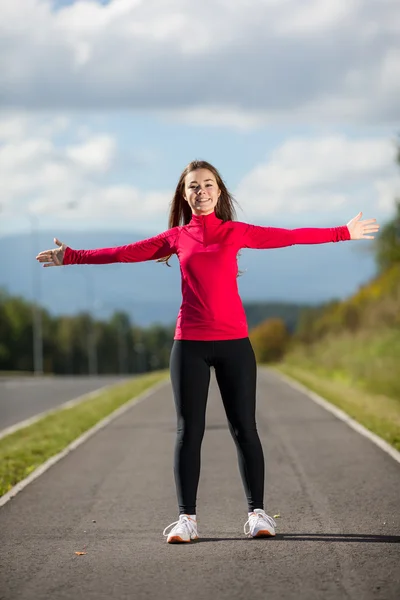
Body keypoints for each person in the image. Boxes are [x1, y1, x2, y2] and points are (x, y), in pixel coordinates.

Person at [36, 159, 380, 543]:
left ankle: (259, 515)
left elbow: (291, 235)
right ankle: (187, 520)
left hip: (235, 343)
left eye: (207, 185)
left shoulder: (236, 232)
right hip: (190, 345)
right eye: (193, 187)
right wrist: (72, 256)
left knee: (244, 428)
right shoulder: (176, 238)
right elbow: (122, 253)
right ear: (185, 196)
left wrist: (343, 232)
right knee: (189, 430)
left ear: (219, 192)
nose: (201, 191)